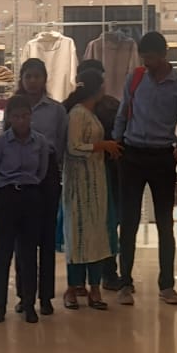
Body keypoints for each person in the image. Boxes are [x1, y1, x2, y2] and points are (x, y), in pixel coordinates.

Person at [113, 31, 177, 306]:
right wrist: (117, 143)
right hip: (132, 154)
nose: (147, 63)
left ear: (164, 54)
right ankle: (125, 282)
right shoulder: (135, 78)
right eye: (144, 58)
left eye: (151, 58)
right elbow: (123, 112)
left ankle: (167, 285)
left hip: (162, 156)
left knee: (165, 223)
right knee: (129, 221)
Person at [0, 94, 52, 323]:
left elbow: (41, 171)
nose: (21, 120)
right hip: (7, 197)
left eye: (25, 116)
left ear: (31, 116)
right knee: (4, 252)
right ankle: (0, 305)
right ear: (9, 118)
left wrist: (29, 187)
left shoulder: (40, 142)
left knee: (29, 253)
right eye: (16, 116)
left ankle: (29, 303)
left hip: (31, 197)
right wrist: (7, 188)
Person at [59, 72, 121, 311]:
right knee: (77, 237)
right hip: (78, 184)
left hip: (96, 181)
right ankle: (73, 287)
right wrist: (102, 145)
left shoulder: (91, 113)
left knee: (96, 236)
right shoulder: (77, 114)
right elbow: (73, 147)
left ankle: (94, 288)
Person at [18, 58, 68, 317]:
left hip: (48, 176)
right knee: (22, 241)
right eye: (28, 76)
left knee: (46, 239)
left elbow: (61, 144)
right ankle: (24, 296)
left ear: (45, 79)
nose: (32, 81)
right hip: (20, 176)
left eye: (37, 76)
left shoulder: (57, 110)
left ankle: (46, 297)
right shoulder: (15, 107)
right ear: (22, 79)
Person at [76, 59, 124, 293]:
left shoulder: (112, 105)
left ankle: (107, 272)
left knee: (107, 223)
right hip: (82, 173)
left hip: (109, 171)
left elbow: (122, 136)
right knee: (83, 225)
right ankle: (82, 279)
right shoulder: (73, 108)